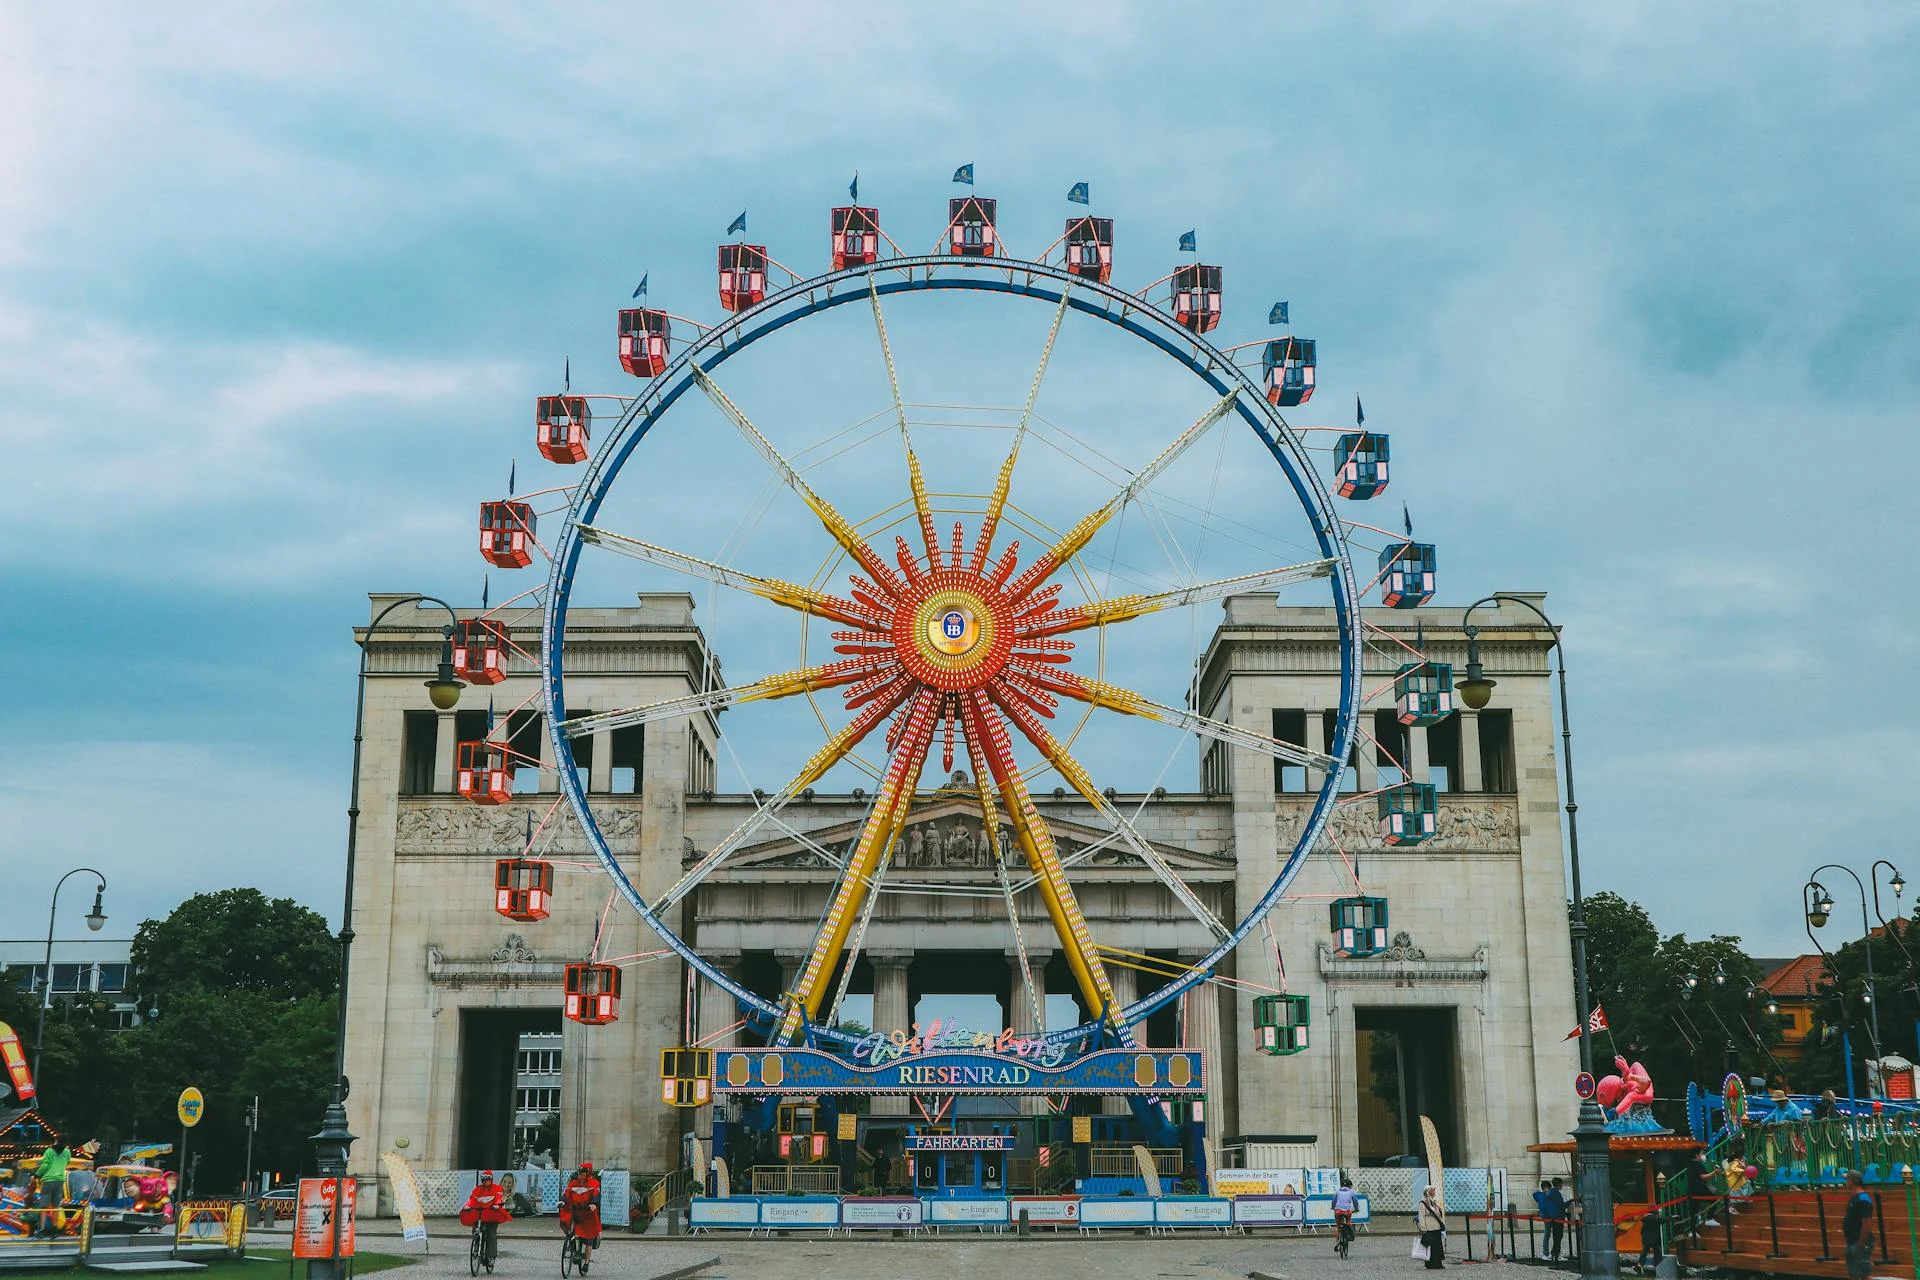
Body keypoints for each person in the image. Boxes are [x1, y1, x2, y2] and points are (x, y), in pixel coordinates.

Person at [559, 1162, 602, 1272]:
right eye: (580, 1172)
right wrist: (562, 1201)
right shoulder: (574, 1183)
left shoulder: (594, 1183)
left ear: (588, 1173)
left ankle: (586, 1263)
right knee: (564, 1221)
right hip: (575, 1210)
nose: (580, 1174)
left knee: (588, 1239)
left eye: (583, 1172)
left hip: (588, 1213)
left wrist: (593, 1204)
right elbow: (567, 1193)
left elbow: (596, 1196)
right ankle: (571, 1240)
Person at [461, 1171, 512, 1262]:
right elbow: (472, 1199)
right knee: (475, 1229)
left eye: (488, 1180)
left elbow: (498, 1198)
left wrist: (497, 1205)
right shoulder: (477, 1189)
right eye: (484, 1180)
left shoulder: (497, 1188)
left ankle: (491, 1256)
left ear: (491, 1180)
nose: (486, 1182)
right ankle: (476, 1246)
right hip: (480, 1214)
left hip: (492, 1214)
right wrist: (467, 1206)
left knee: (491, 1235)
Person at [1843, 1169, 1874, 1280]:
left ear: (1852, 1181)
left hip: (1859, 1243)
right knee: (1854, 1274)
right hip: (1851, 1241)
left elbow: (1867, 1225)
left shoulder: (1863, 1199)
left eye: (1848, 1179)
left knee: (1865, 1274)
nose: (1846, 1181)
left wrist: (1860, 1244)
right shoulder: (1854, 1198)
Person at [1417, 1183, 1447, 1269]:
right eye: (1432, 1191)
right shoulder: (1423, 1203)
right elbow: (1421, 1216)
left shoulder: (1434, 1202)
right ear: (1428, 1192)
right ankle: (1431, 1264)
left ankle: (1438, 1264)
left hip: (1436, 1228)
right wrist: (1423, 1228)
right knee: (1431, 1248)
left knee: (1437, 1247)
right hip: (1429, 1228)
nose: (1434, 1192)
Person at [1331, 1176, 1358, 1256]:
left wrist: (1333, 1207)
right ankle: (1350, 1234)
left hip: (1338, 1211)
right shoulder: (1351, 1192)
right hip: (1347, 1211)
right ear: (1350, 1186)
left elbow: (1334, 1200)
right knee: (1348, 1221)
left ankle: (1337, 1240)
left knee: (1338, 1226)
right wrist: (1356, 1209)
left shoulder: (1337, 1191)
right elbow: (1355, 1202)